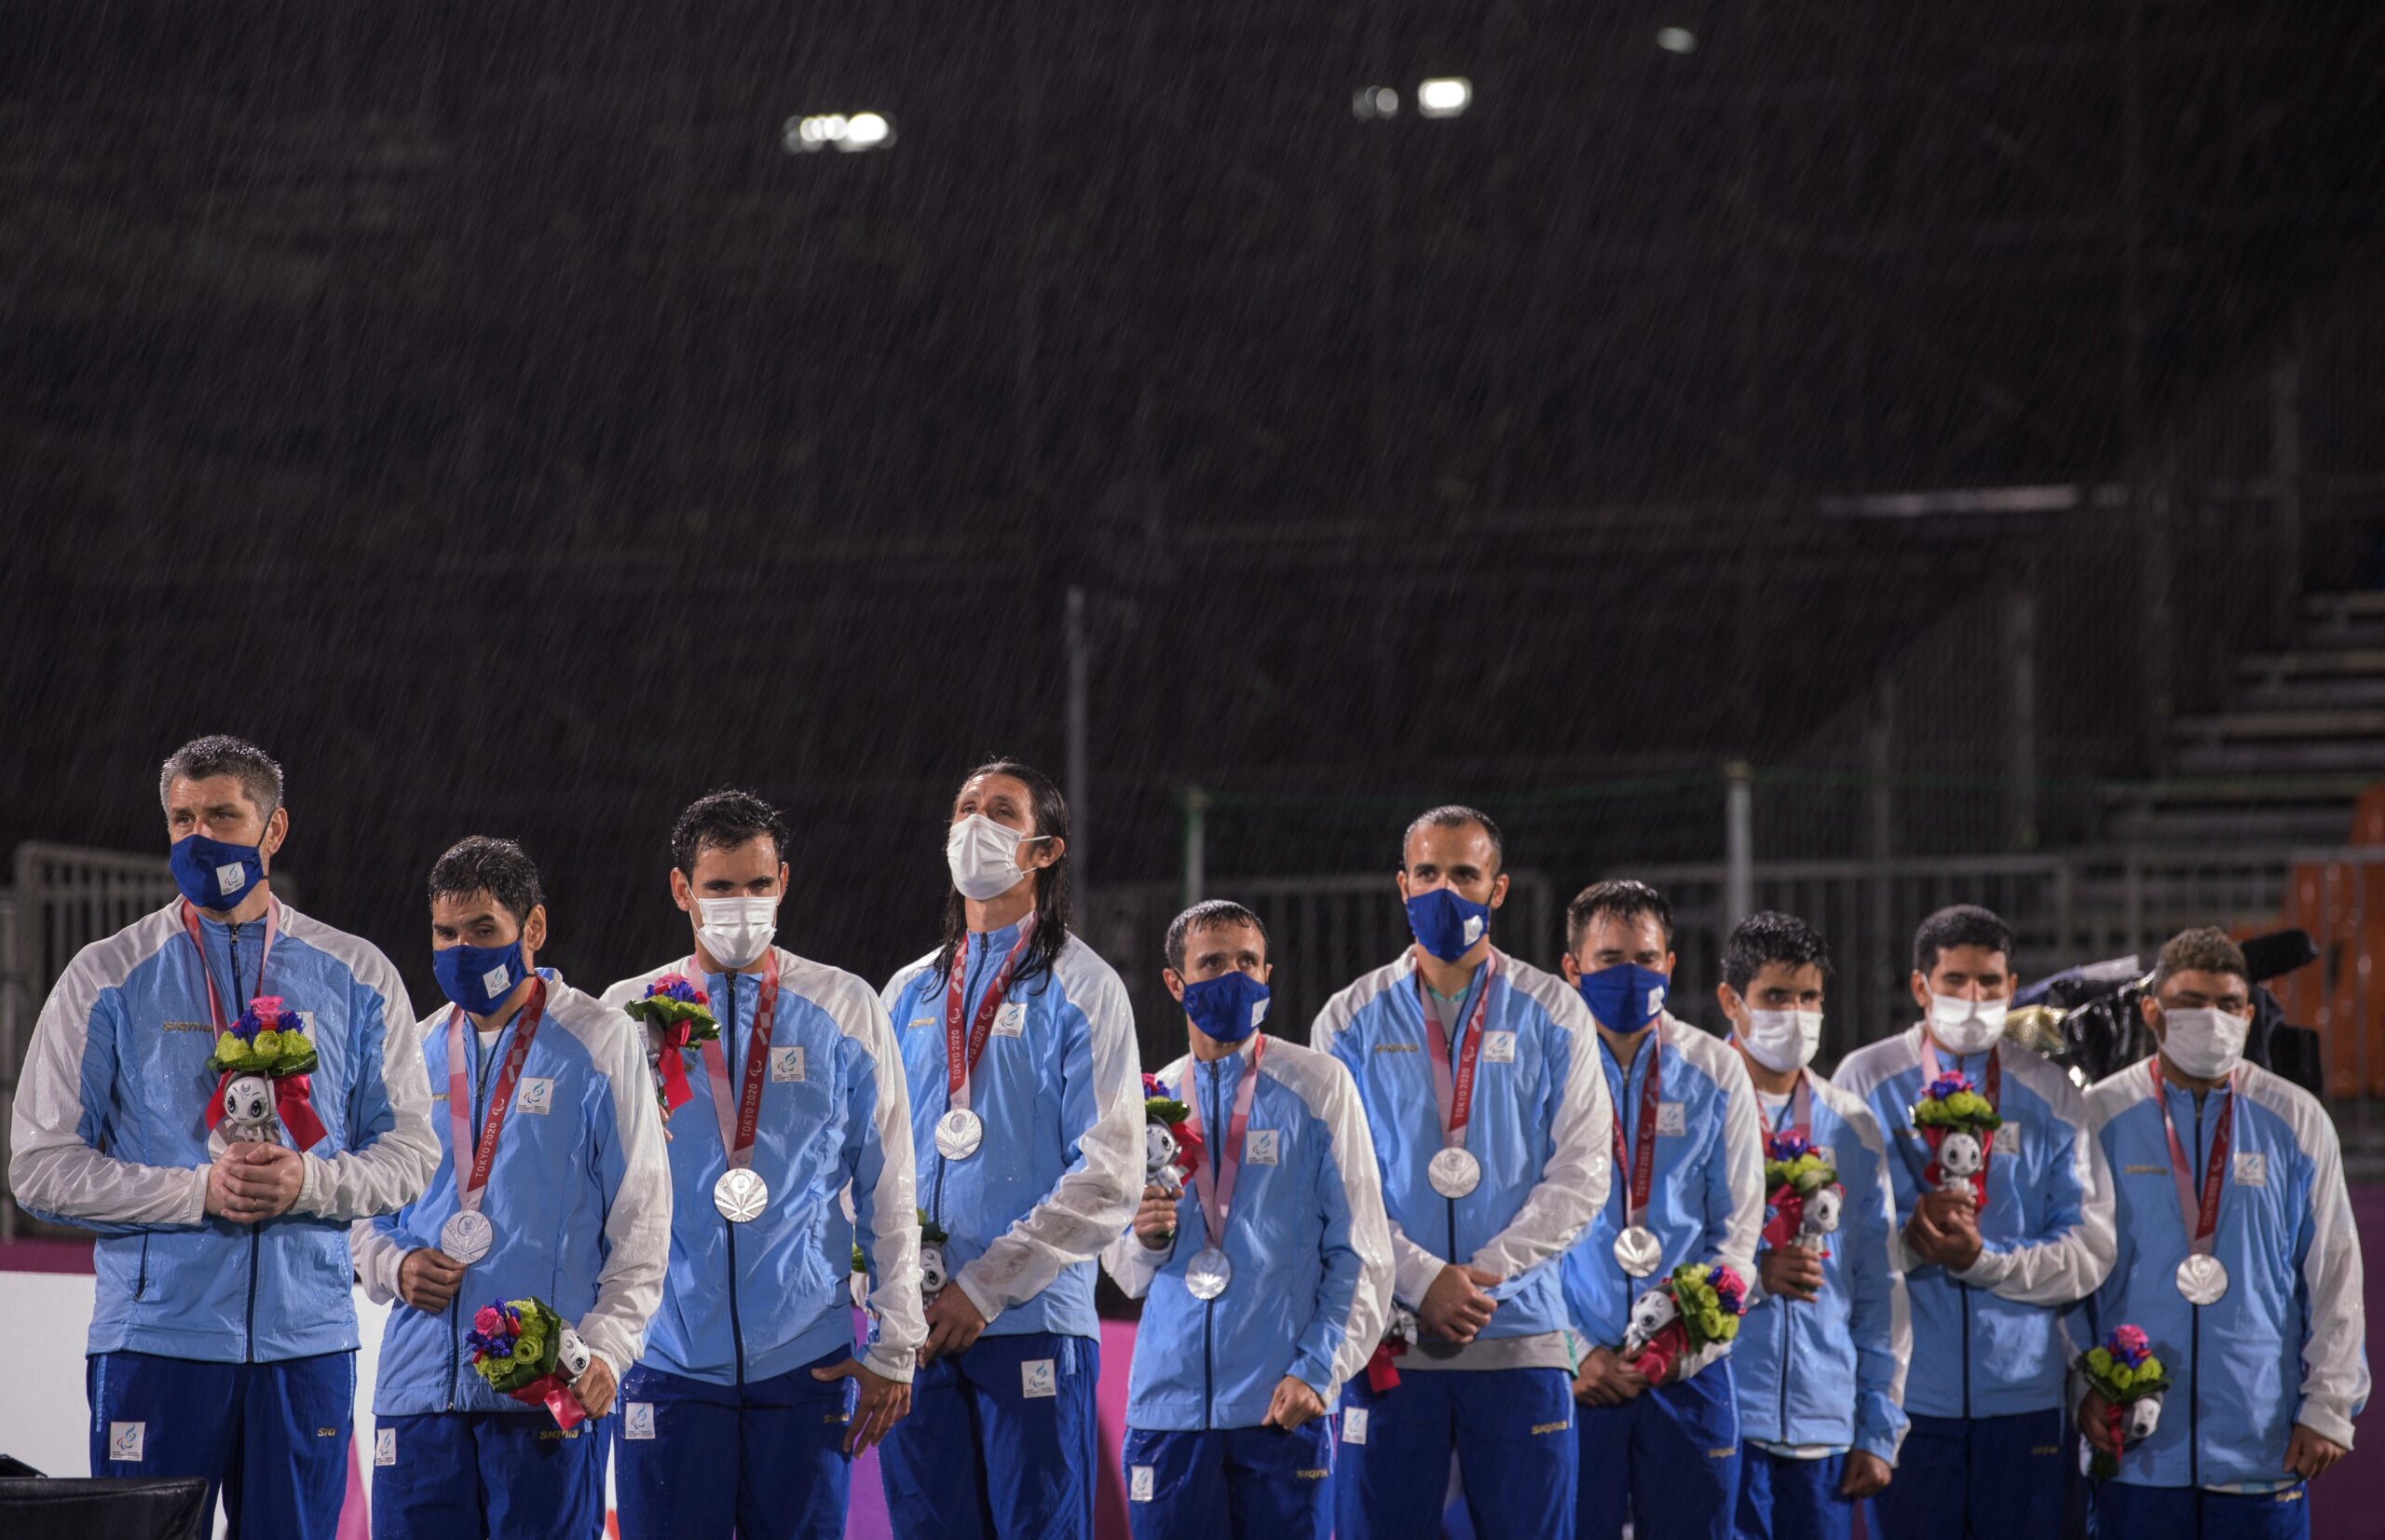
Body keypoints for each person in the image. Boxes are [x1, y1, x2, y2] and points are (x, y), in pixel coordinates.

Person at [8, 735, 438, 1539]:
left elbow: (412, 1151)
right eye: (181, 818)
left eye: (222, 815)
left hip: (304, 1343)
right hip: (156, 1341)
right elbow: (39, 1168)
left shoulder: (358, 973)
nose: (199, 835)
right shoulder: (107, 974)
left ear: (273, 830)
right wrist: (193, 1191)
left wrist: (309, 1183)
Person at [599, 790, 923, 1540]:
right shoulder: (628, 1013)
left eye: (757, 884)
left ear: (784, 880)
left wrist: (895, 1340)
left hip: (804, 1360)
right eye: (719, 887)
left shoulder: (846, 1005)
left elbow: (888, 1182)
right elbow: (593, 1195)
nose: (741, 903)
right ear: (682, 889)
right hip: (666, 1360)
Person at [352, 837, 671, 1538]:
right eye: (445, 933)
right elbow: (362, 1209)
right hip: (417, 1391)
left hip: (545, 1388)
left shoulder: (599, 1040)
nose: (461, 949)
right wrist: (395, 1263)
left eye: (482, 931)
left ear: (532, 928)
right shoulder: (410, 1047)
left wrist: (608, 1349)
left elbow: (642, 1219)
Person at [1312, 805, 1612, 1540]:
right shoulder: (1346, 1018)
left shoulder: (1556, 1012)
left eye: (1465, 874)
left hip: (1521, 1337)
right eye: (1429, 873)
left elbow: (1583, 1172)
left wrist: (1479, 1277)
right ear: (1402, 883)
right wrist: (1418, 1279)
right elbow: (1334, 1187)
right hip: (1388, 1342)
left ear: (1498, 888)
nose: (1446, 890)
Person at [878, 760, 1142, 1538]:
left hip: (1031, 1322)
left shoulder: (1084, 986)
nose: (975, 822)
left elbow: (1109, 1172)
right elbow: (869, 1159)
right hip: (918, 1329)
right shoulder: (905, 991)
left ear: (1043, 850)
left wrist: (987, 1286)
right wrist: (888, 1294)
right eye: (966, 806)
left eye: (1000, 810)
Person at [1103, 901, 1395, 1539]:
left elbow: (1361, 1251)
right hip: (1168, 1413)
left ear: (1268, 975)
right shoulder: (1148, 1103)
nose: (1231, 977)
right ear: (1175, 983)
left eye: (1246, 963)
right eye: (1211, 963)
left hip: (1278, 1409)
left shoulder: (1318, 1086)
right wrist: (1145, 1237)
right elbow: (1124, 1272)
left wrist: (1316, 1370)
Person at [1834, 904, 2114, 1540]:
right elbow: (1836, 1239)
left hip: (2028, 1403)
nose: (1974, 996)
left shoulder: (2051, 1092)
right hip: (1909, 1405)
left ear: (2013, 988)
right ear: (1919, 986)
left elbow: (2090, 1248)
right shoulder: (1866, 1078)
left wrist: (1983, 1260)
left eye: (1990, 982)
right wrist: (1908, 1239)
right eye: (1955, 980)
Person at [2080, 927, 2367, 1538]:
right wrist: (2080, 1386)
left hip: (2261, 1449)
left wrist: (2329, 1407)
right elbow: (2068, 1275)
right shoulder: (2100, 1116)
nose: (2210, 1018)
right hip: (2135, 1450)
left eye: (2228, 1004)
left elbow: (2335, 1275)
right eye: (2190, 1003)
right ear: (2152, 1010)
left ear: (2248, 1012)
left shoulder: (2295, 1118)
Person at [1557, 880, 1764, 1540]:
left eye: (1646, 958)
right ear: (1573, 968)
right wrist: (1573, 1349)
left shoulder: (1716, 1069)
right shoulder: (1542, 1070)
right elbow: (1516, 1234)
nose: (1631, 973)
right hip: (1575, 1377)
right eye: (1610, 957)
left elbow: (1738, 1235)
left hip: (1688, 1371)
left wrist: (1683, 1346)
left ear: (1671, 964)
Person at [1714, 912, 1907, 1540]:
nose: (1794, 1013)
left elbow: (1879, 1284)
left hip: (1826, 1428)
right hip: (1720, 1415)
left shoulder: (1851, 1123)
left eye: (1808, 998)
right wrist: (1753, 1276)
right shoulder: (1692, 1108)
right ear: (1731, 1001)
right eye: (1775, 996)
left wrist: (1878, 1426)